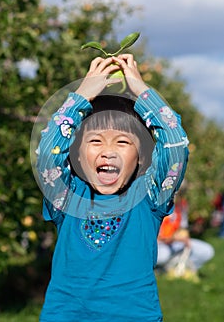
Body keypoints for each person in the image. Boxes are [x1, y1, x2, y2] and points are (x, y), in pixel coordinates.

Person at [35, 54, 189, 322]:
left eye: (122, 143)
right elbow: (47, 154)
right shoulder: (67, 197)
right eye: (95, 141)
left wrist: (141, 90)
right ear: (77, 156)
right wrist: (81, 95)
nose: (108, 152)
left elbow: (175, 144)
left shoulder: (149, 197)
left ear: (141, 157)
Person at [157, 191, 215, 275]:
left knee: (207, 251)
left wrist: (188, 233)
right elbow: (155, 237)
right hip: (160, 244)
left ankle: (184, 268)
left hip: (175, 243)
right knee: (162, 256)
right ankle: (161, 269)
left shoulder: (181, 206)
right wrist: (172, 238)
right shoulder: (158, 206)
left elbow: (182, 228)